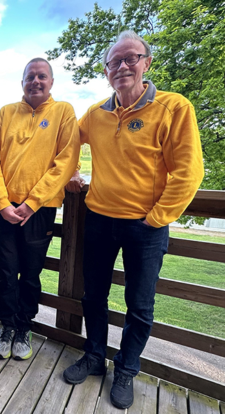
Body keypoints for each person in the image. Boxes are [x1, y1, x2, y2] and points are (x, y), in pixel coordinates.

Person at [63, 30, 204, 409]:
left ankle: (126, 368)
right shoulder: (96, 113)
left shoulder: (174, 107)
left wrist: (157, 218)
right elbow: (67, 142)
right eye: (115, 61)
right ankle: (95, 356)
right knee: (93, 295)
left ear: (147, 63)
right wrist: (73, 171)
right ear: (106, 70)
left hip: (145, 226)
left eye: (131, 58)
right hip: (98, 219)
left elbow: (189, 171)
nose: (123, 66)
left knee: (139, 305)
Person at [0, 58, 80, 360]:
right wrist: (2, 203)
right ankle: (7, 327)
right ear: (22, 82)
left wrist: (32, 202)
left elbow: (66, 161)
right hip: (4, 211)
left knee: (30, 273)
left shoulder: (63, 112)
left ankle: (24, 328)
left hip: (39, 210)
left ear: (51, 81)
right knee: (6, 271)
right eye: (30, 77)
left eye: (41, 76)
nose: (35, 81)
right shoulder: (5, 113)